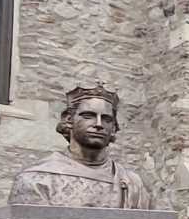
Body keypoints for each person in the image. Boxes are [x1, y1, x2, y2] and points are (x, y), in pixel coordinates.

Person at [9, 82, 151, 208]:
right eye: (88, 116)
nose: (99, 124)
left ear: (114, 127)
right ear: (69, 120)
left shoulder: (133, 184)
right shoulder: (37, 178)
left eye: (107, 119)